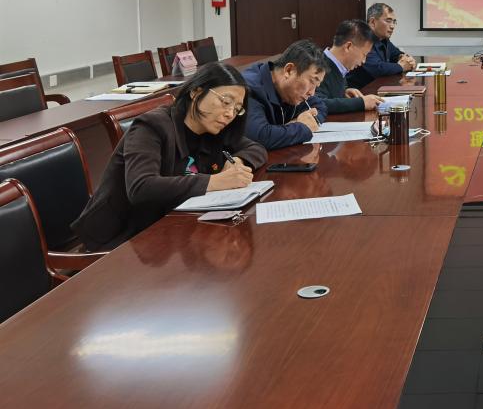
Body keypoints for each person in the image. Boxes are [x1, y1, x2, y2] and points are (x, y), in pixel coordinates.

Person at [71, 62, 267, 251]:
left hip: (169, 227)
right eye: (225, 102)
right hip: (122, 237)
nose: (230, 114)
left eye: (237, 109)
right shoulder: (151, 127)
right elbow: (141, 187)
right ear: (196, 92)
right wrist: (215, 181)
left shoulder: (213, 130)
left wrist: (237, 162)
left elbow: (256, 148)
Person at [242, 39, 328, 150]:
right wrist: (301, 127)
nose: (312, 92)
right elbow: (260, 136)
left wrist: (308, 121)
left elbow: (319, 106)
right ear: (289, 70)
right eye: (312, 81)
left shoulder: (291, 91)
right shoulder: (250, 88)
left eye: (316, 85)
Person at [317, 19, 385, 114]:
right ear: (348, 47)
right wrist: (361, 103)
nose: (363, 61)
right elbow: (316, 103)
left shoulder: (339, 67)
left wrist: (344, 93)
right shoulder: (317, 66)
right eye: (364, 55)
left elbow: (328, 94)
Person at [345, 2, 416, 89]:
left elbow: (396, 53)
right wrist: (401, 66)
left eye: (394, 22)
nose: (392, 26)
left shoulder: (383, 39)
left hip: (378, 88)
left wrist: (406, 58)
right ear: (373, 22)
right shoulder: (362, 39)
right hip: (360, 91)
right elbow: (377, 68)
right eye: (388, 21)